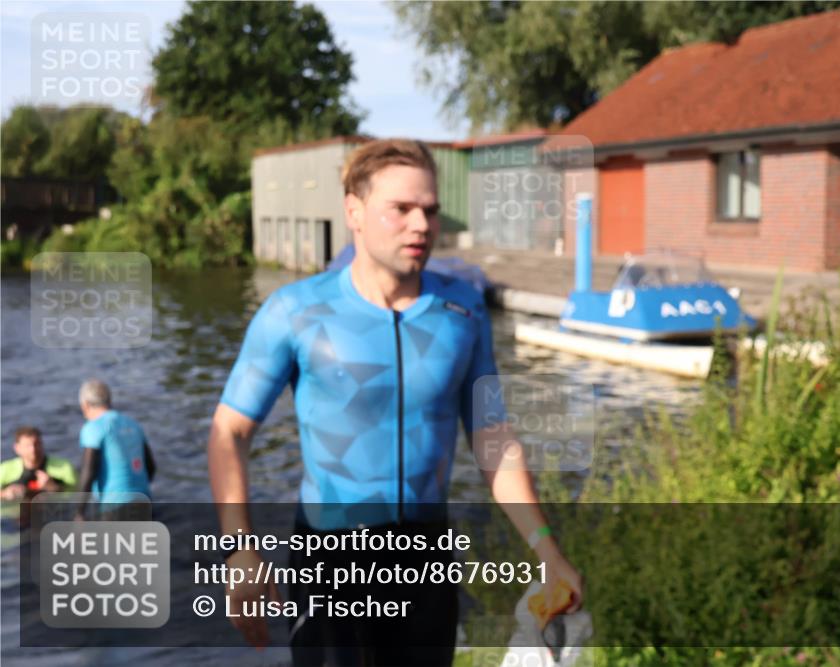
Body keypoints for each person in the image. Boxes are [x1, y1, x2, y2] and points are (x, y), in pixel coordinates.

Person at [208, 139, 583, 666]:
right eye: (401, 209)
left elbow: (492, 436)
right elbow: (230, 431)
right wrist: (240, 548)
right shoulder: (295, 311)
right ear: (354, 212)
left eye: (430, 209)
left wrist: (546, 549)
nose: (421, 225)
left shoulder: (462, 311)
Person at [76, 379, 156, 515]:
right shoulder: (133, 424)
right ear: (109, 401)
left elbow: (88, 472)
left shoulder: (93, 427)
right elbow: (151, 467)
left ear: (85, 405)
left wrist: (79, 512)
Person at [0, 426, 77, 501]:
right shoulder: (4, 469)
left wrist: (55, 488)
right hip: (16, 508)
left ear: (42, 444)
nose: (33, 449)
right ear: (17, 448)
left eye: (36, 444)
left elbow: (78, 495)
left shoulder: (64, 467)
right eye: (28, 445)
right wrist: (5, 494)